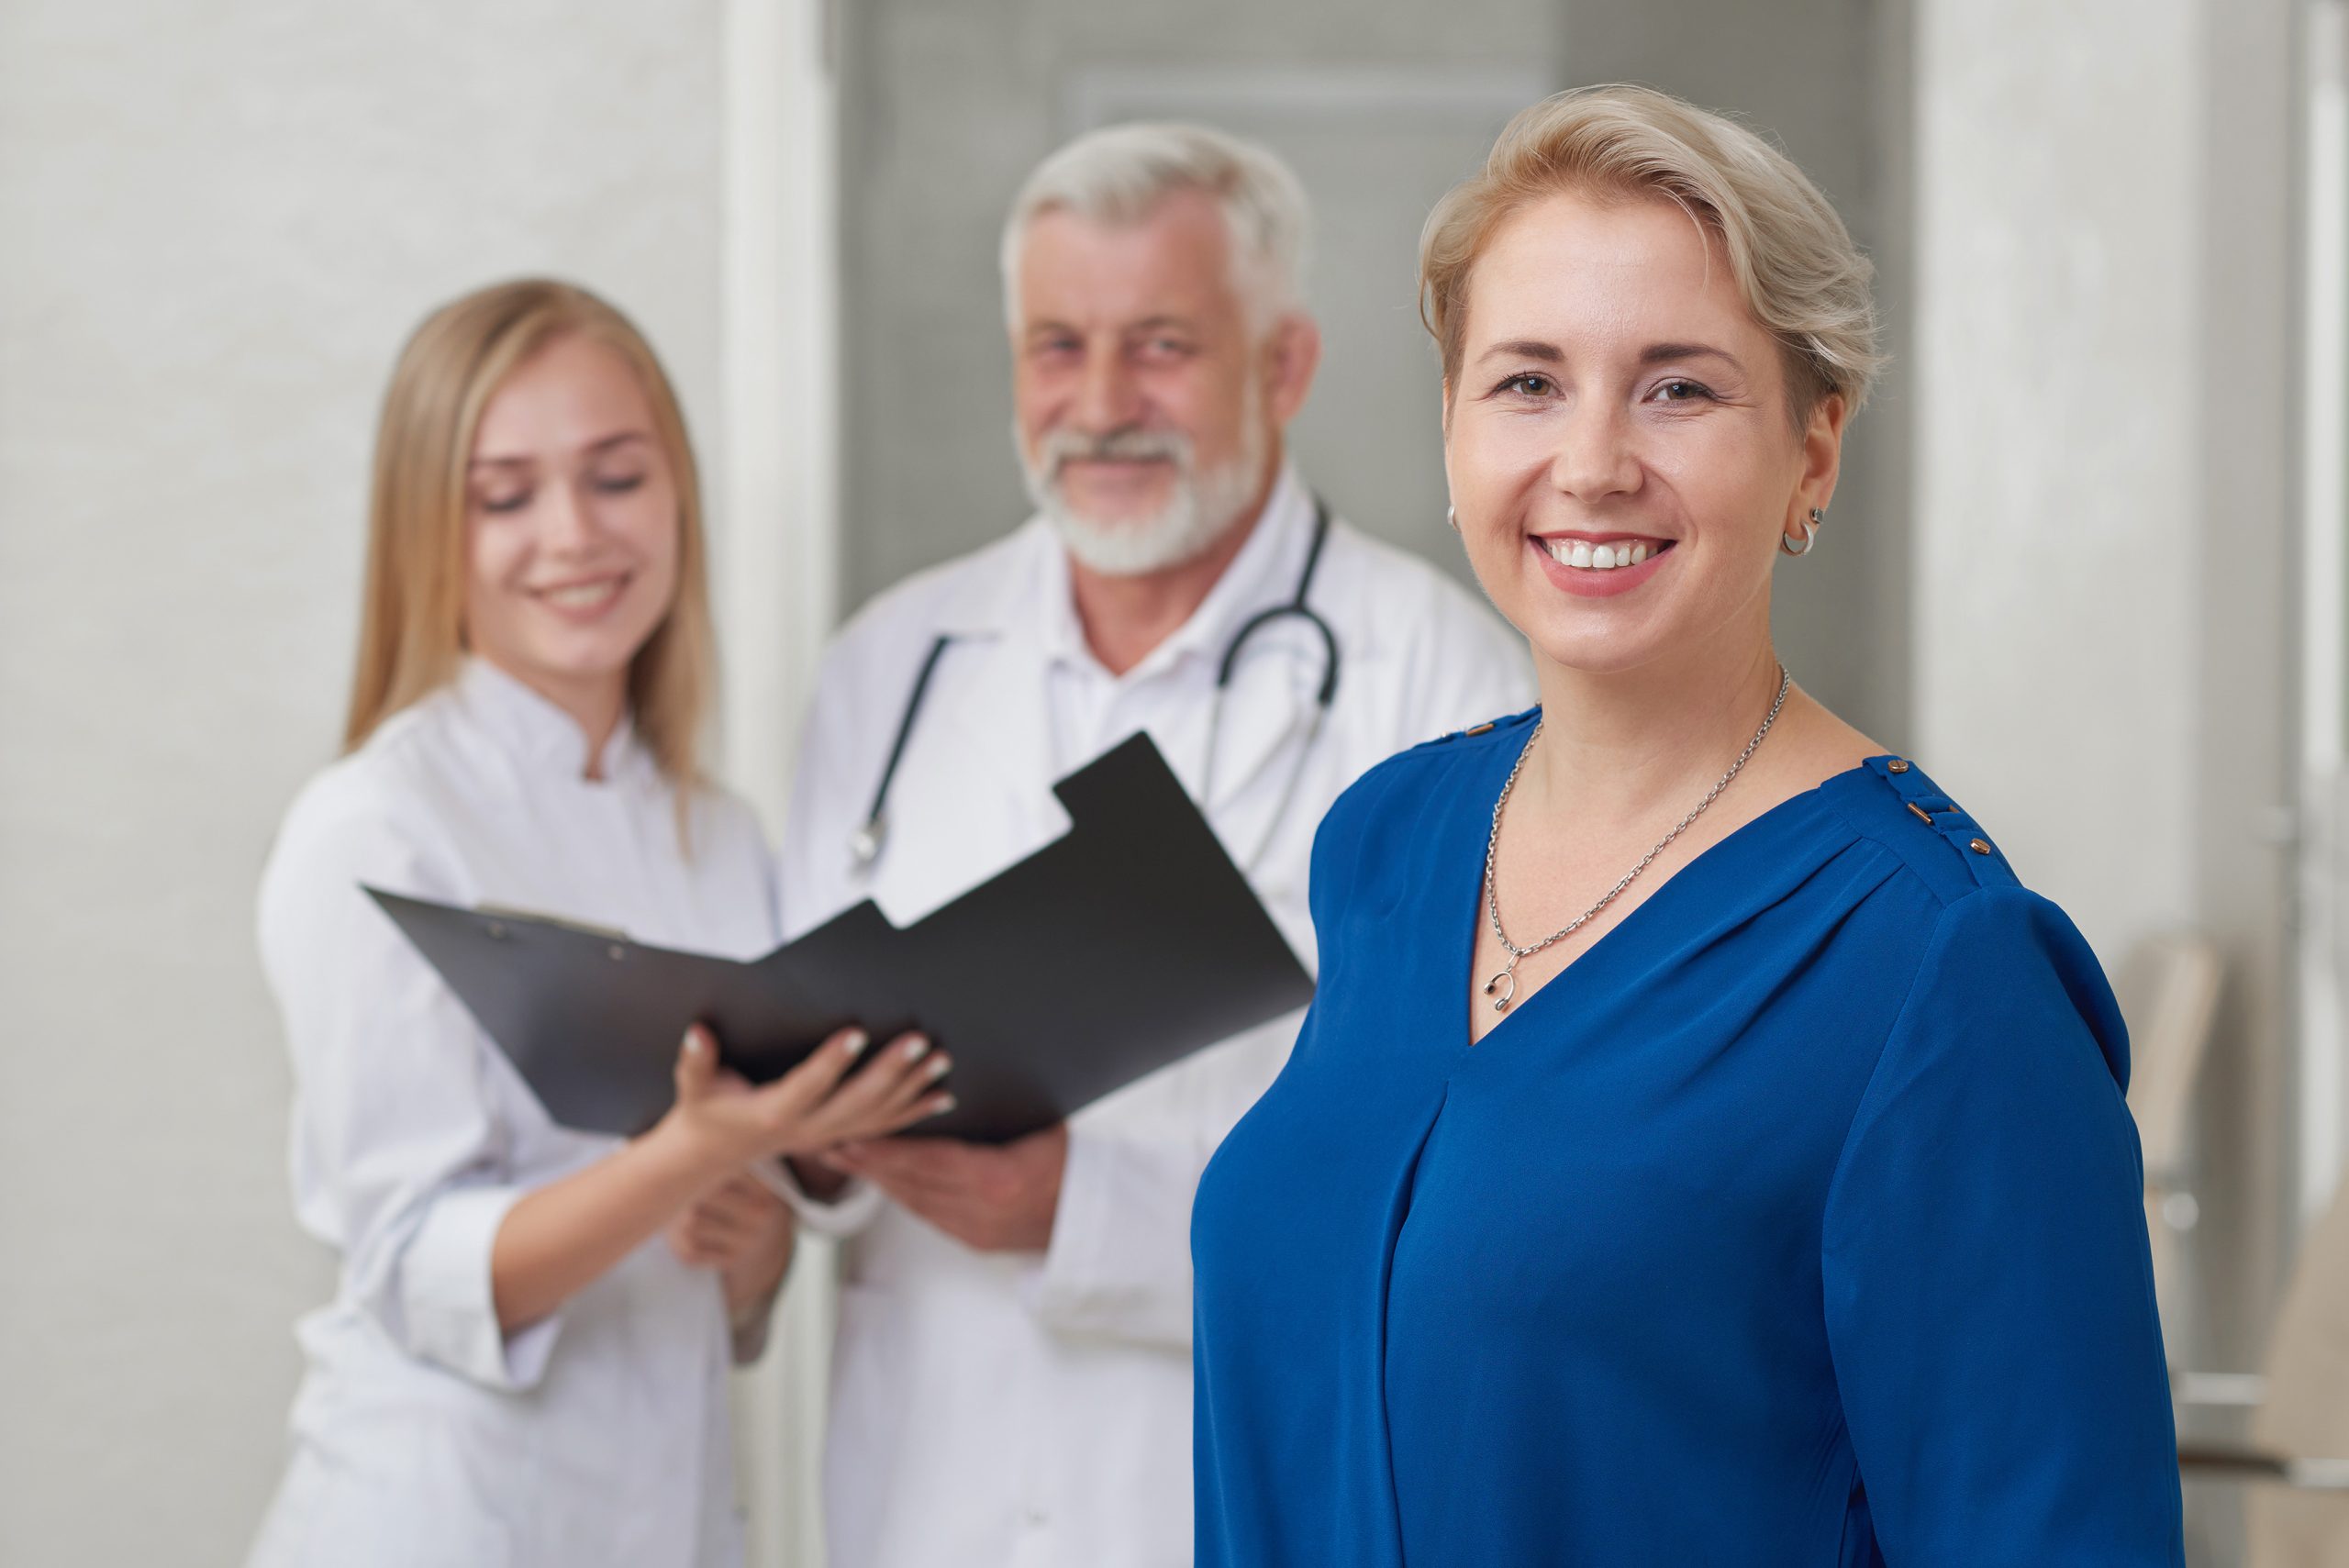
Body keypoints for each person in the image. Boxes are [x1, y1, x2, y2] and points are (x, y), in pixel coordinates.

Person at [1191, 85, 2187, 1565]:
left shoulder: (1937, 968)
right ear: (1453, 429)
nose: (1591, 462)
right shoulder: (1388, 846)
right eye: (1527, 381)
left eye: (1679, 386)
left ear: (1815, 449)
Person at [774, 124, 1531, 1568]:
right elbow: (793, 1071)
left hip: (1242, 1498)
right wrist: (796, 1148)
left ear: (1284, 366)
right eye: (1057, 346)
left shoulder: (1444, 687)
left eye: (1162, 345)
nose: (1102, 402)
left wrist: (1086, 1213)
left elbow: (1471, 1188)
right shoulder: (891, 665)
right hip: (918, 1501)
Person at [246, 279, 950, 1568]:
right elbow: (417, 1267)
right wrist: (684, 1159)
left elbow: (728, 1271)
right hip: (439, 1518)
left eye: (616, 477)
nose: (572, 534)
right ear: (429, 530)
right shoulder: (377, 826)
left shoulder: (718, 834)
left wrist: (751, 1249)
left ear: (676, 493)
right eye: (505, 495)